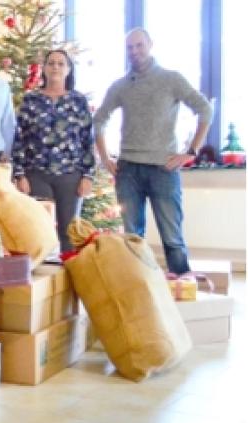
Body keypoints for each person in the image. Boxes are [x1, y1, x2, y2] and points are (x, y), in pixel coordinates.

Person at [93, 28, 213, 275]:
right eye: (130, 48)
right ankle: (138, 285)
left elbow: (205, 110)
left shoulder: (171, 79)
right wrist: (105, 157)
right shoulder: (121, 86)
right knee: (132, 237)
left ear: (150, 44)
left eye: (139, 45)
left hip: (163, 168)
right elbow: (99, 120)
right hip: (128, 170)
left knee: (172, 236)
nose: (134, 52)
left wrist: (191, 151)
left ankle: (181, 287)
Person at [12, 50, 95, 252]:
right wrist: (19, 174)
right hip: (36, 175)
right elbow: (19, 139)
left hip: (71, 176)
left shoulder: (78, 101)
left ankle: (70, 278)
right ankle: (45, 281)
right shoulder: (31, 100)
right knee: (40, 231)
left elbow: (87, 139)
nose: (55, 67)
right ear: (44, 68)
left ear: (68, 69)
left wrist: (88, 175)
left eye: (60, 63)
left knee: (70, 234)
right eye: (51, 63)